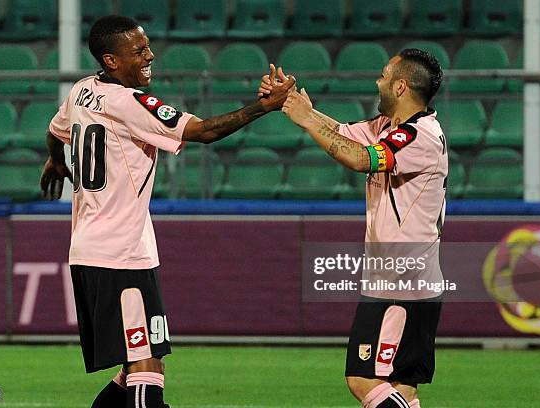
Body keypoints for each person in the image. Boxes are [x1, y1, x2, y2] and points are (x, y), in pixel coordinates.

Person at [40, 15, 294, 408]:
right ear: (111, 60)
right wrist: (264, 106)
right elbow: (205, 131)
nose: (149, 55)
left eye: (147, 46)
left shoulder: (81, 91)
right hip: (121, 256)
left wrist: (56, 161)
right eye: (138, 50)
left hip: (90, 251)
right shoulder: (132, 103)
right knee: (147, 366)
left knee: (131, 371)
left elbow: (55, 131)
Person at [261, 49, 446, 408]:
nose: (377, 81)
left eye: (383, 75)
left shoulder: (418, 137)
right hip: (415, 281)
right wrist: (298, 106)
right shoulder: (389, 128)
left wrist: (307, 119)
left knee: (363, 378)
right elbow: (342, 135)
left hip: (400, 282)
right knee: (402, 386)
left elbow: (361, 158)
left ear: (401, 86)